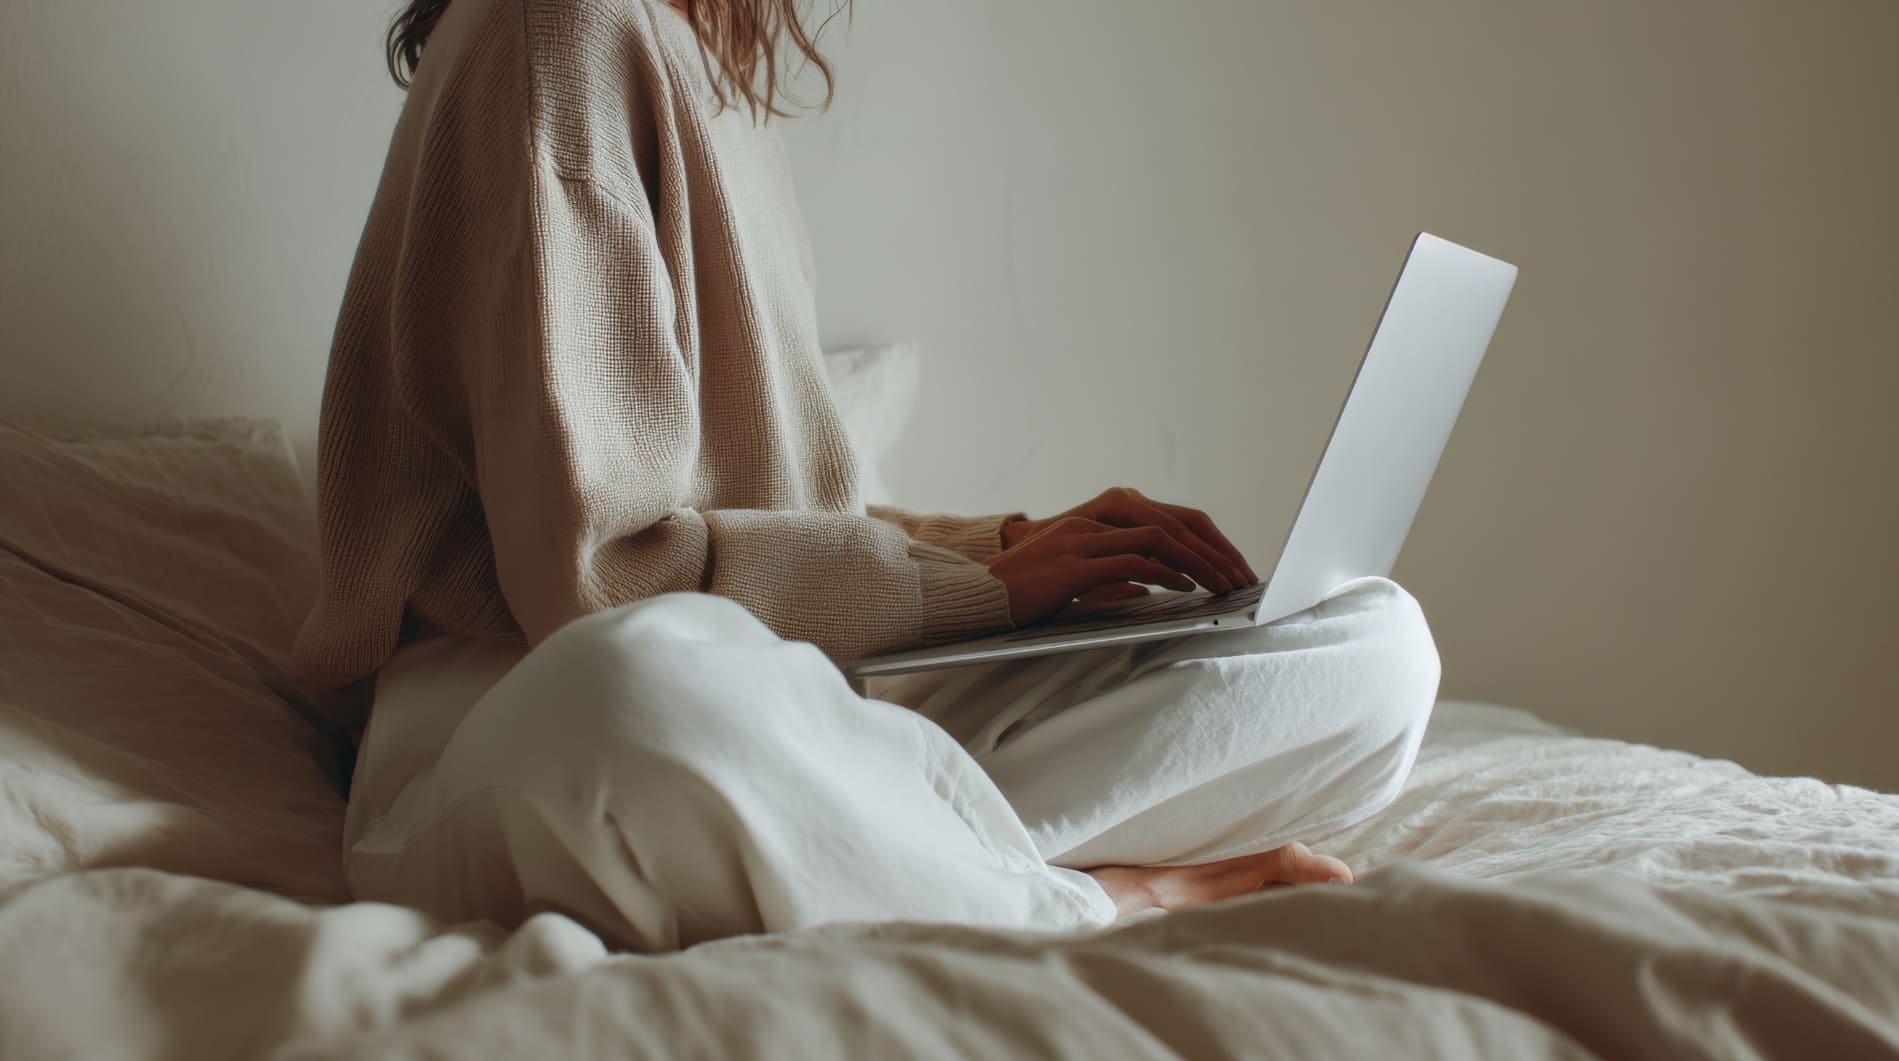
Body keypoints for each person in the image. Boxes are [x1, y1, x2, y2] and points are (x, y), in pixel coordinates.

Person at [297, 0, 1440, 952]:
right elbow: (595, 584)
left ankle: (867, 847)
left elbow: (781, 517)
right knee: (650, 692)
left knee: (1365, 644)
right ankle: (1098, 900)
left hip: (806, 687)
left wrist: (1004, 549)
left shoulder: (709, 65)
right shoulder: (558, 27)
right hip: (521, 722)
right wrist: (977, 590)